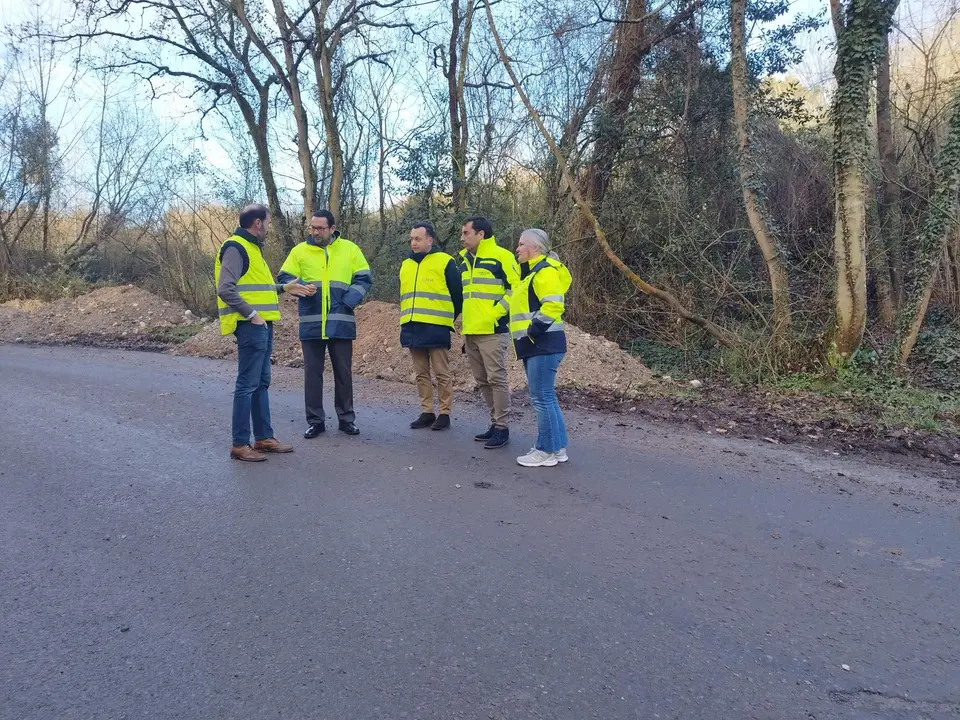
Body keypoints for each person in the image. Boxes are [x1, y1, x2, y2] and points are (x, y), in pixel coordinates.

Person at [216, 204, 316, 462]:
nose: (269, 228)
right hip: (251, 326)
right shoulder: (235, 247)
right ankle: (240, 444)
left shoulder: (251, 248)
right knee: (247, 384)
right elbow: (226, 289)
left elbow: (255, 286)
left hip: (261, 326)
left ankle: (263, 438)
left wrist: (284, 288)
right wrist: (253, 315)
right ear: (258, 223)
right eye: (268, 223)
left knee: (261, 383)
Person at [278, 210, 372, 438]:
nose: (315, 232)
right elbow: (283, 279)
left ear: (332, 228)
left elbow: (364, 277)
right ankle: (315, 421)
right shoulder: (299, 251)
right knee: (312, 374)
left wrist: (348, 302)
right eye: (312, 227)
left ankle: (346, 419)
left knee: (343, 373)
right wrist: (298, 288)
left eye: (320, 228)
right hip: (311, 323)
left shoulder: (350, 249)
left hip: (341, 321)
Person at [509, 229, 572, 468]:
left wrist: (533, 330)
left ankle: (545, 450)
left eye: (521, 244)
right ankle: (558, 448)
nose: (517, 248)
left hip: (542, 344)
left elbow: (554, 305)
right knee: (546, 397)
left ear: (535, 248)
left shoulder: (544, 271)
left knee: (541, 398)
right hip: (539, 344)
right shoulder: (534, 272)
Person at [458, 216, 521, 449]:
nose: (462, 238)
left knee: (496, 378)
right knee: (483, 381)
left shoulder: (502, 256)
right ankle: (495, 423)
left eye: (466, 233)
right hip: (472, 331)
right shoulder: (465, 260)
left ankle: (503, 428)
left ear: (481, 234)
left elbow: (517, 288)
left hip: (494, 330)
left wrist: (496, 313)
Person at [399, 221, 463, 430]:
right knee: (421, 373)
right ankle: (427, 411)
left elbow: (457, 295)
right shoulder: (406, 264)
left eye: (418, 239)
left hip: (436, 326)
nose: (413, 243)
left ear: (430, 240)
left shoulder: (445, 261)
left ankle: (444, 413)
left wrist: (447, 318)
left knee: (441, 372)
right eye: (411, 239)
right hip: (412, 325)